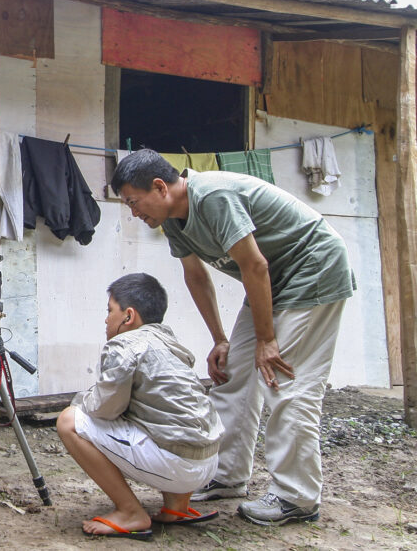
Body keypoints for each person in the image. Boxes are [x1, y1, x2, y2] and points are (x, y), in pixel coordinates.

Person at [111, 149, 354, 526]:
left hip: (312, 268)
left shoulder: (213, 197)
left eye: (133, 201)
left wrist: (267, 339)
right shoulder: (173, 219)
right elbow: (196, 276)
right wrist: (220, 339)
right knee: (233, 372)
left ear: (159, 186)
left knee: (286, 383)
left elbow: (255, 264)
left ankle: (297, 497)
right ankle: (227, 474)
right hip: (272, 281)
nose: (133, 212)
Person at [57, 273, 222, 540]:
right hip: (209, 462)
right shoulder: (169, 341)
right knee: (162, 414)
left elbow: (104, 409)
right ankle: (177, 507)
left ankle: (130, 512)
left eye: (110, 310)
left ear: (128, 316)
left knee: (69, 422)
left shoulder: (124, 344)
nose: (106, 318)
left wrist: (81, 399)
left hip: (178, 465)